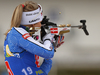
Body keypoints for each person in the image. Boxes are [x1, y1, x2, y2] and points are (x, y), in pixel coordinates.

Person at [4, 1, 55, 75]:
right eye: (40, 22)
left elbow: (41, 72)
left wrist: (52, 45)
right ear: (33, 23)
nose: (41, 25)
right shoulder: (17, 35)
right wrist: (47, 38)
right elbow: (48, 53)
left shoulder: (17, 33)